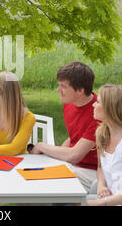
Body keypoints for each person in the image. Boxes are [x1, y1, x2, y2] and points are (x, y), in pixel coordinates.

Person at [30, 62, 99, 191]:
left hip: (94, 172)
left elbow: (74, 155)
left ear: (79, 91)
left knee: (48, 182)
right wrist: (58, 158)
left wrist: (41, 146)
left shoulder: (98, 113)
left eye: (63, 86)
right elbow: (75, 137)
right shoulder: (69, 103)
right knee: (35, 173)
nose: (58, 90)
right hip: (75, 164)